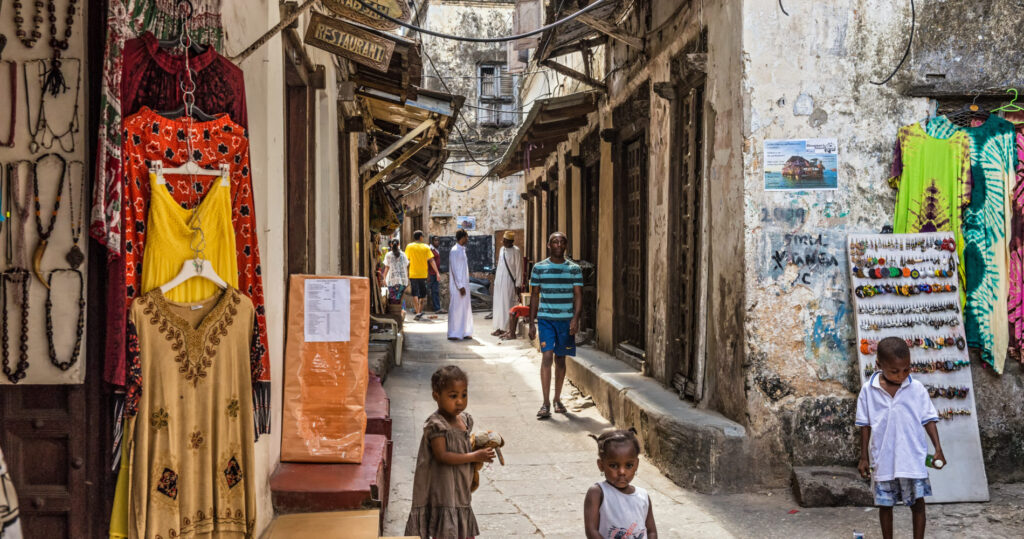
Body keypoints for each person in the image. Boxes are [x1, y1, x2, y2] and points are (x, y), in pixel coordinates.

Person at [857, 336, 946, 539]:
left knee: (918, 504)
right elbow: (864, 425)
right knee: (885, 506)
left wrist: (938, 448)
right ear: (878, 365)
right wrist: (864, 457)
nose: (901, 376)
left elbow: (928, 420)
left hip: (912, 458)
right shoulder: (868, 391)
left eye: (906, 369)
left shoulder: (916, 389)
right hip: (883, 459)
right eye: (894, 371)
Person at [405, 366, 494, 539]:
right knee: (446, 531)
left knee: (463, 529)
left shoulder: (465, 420)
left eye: (464, 394)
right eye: (453, 396)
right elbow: (443, 456)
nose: (460, 401)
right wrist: (474, 456)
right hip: (443, 491)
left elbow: (463, 443)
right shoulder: (436, 425)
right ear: (436, 396)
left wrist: (480, 445)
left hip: (460, 488)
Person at [528, 232, 583, 419]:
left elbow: (578, 296)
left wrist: (575, 319)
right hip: (546, 319)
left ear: (566, 245)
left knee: (561, 359)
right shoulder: (539, 268)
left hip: (566, 320)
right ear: (548, 245)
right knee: (547, 356)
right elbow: (534, 295)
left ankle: (557, 399)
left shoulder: (574, 269)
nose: (558, 244)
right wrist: (531, 322)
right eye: (554, 241)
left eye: (561, 242)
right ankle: (545, 403)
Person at [583, 429, 657, 539]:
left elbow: (651, 532)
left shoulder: (643, 496)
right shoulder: (597, 493)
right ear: (601, 465)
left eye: (628, 465)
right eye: (613, 465)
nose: (622, 472)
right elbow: (591, 531)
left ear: (636, 464)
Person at [492, 231, 523, 336]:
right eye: (503, 240)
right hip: (499, 281)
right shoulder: (502, 250)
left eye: (506, 241)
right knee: (498, 304)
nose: (504, 242)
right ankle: (498, 327)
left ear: (512, 241)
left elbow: (519, 268)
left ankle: (506, 329)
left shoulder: (516, 251)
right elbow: (500, 266)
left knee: (506, 304)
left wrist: (518, 284)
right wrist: (496, 281)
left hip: (509, 281)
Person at [405, 230, 439, 321]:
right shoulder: (426, 247)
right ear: (420, 237)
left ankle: (417, 312)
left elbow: (406, 261)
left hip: (413, 274)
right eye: (422, 236)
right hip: (423, 274)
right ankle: (419, 311)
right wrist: (437, 272)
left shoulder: (409, 246)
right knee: (423, 295)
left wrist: (406, 272)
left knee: (415, 294)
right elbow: (432, 260)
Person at [448, 229, 473, 340]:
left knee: (465, 308)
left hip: (464, 284)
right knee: (456, 308)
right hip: (458, 286)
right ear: (462, 237)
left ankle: (465, 331)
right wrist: (460, 286)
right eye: (466, 237)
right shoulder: (454, 250)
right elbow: (454, 269)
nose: (467, 239)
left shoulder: (462, 250)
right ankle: (454, 333)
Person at [382, 238, 410, 306]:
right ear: (399, 244)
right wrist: (408, 278)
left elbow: (387, 268)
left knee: (393, 299)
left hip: (392, 281)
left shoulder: (388, 255)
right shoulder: (403, 255)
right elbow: (407, 266)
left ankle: (394, 312)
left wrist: (384, 278)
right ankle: (401, 312)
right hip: (402, 282)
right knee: (400, 298)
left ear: (391, 245)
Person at [428, 236, 445, 314]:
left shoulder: (436, 250)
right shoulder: (430, 250)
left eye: (438, 240)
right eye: (435, 240)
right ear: (432, 241)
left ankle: (437, 308)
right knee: (431, 291)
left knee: (435, 291)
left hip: (435, 273)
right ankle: (436, 308)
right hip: (431, 274)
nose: (437, 242)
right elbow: (429, 262)